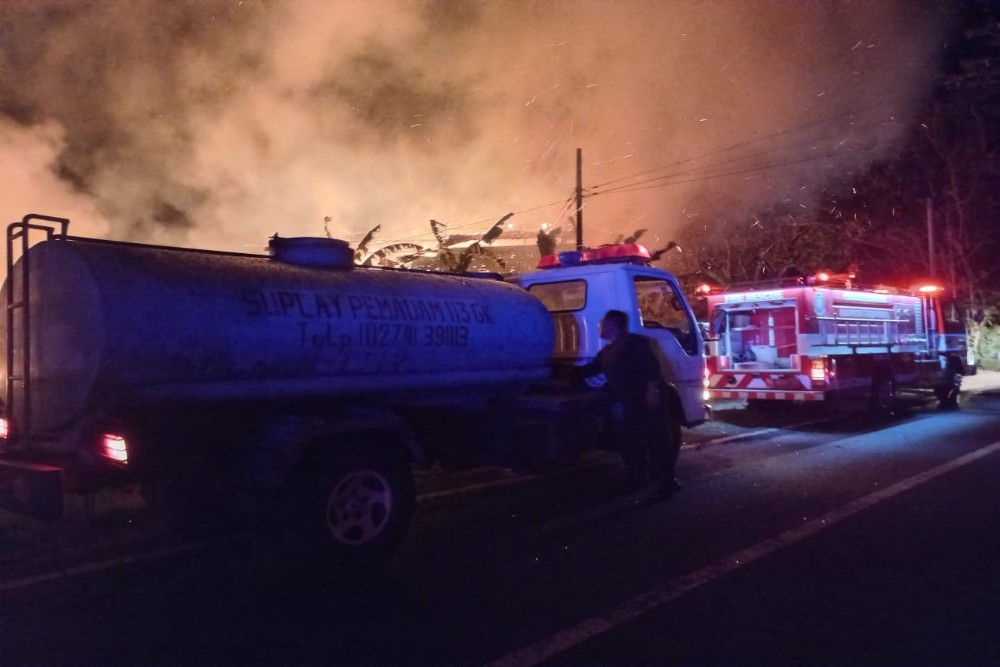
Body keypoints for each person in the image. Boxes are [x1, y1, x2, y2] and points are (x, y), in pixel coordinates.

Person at [578, 309, 682, 497]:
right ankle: (638, 477)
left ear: (612, 325)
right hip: (628, 403)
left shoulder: (635, 343)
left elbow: (652, 368)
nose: (600, 327)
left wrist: (652, 393)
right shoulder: (609, 351)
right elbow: (591, 369)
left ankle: (667, 481)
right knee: (631, 442)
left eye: (602, 323)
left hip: (645, 401)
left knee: (657, 441)